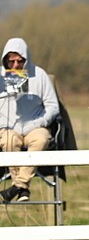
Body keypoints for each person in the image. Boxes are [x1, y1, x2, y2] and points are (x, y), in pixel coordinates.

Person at [0, 38, 60, 203]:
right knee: (8, 141)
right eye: (11, 61)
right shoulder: (0, 76)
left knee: (41, 139)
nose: (15, 65)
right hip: (8, 127)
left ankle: (17, 186)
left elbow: (53, 106)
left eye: (19, 61)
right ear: (5, 60)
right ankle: (22, 188)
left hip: (35, 125)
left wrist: (41, 122)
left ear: (26, 59)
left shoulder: (39, 75)